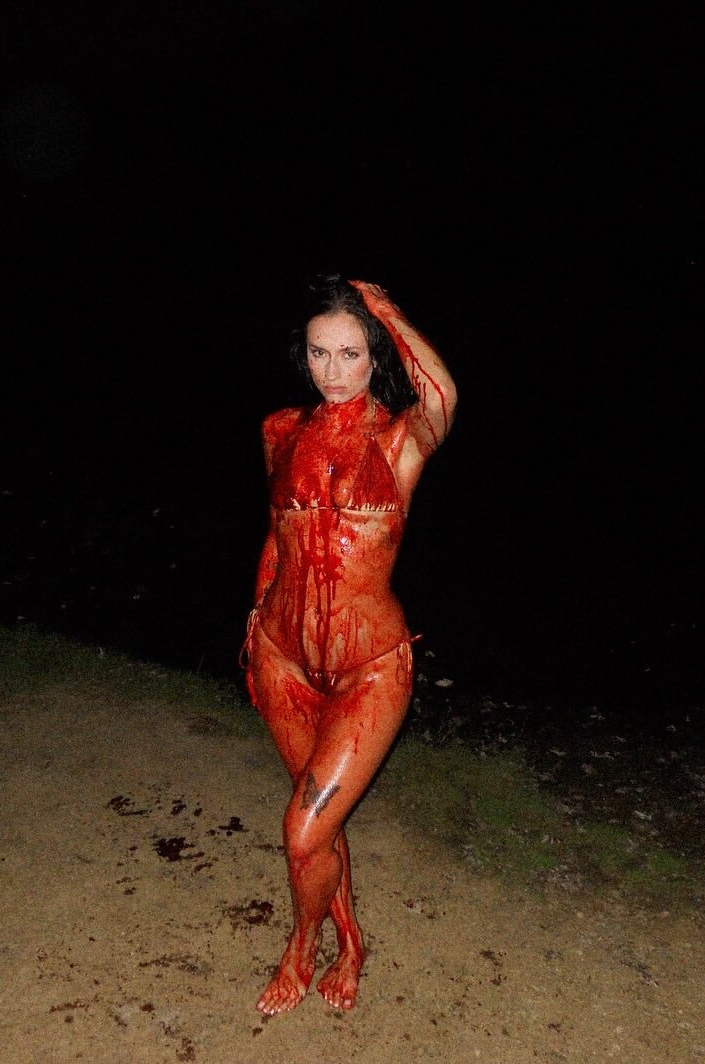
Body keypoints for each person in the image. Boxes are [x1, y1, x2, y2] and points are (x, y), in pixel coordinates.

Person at [243, 274, 457, 1015]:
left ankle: (301, 946)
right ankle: (352, 940)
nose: (332, 371)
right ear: (302, 356)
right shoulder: (279, 431)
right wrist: (255, 615)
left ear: (375, 357)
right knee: (320, 827)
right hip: (281, 656)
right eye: (318, 353)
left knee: (302, 830)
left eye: (350, 354)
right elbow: (277, 535)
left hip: (369, 669)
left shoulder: (400, 441)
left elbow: (442, 397)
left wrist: (388, 311)